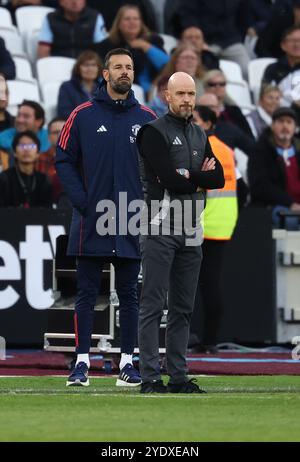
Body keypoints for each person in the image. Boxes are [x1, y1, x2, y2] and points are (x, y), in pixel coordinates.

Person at [55, 48, 156, 387]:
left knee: (129, 294)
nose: (124, 72)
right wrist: (82, 201)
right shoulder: (82, 114)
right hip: (91, 219)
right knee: (86, 292)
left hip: (129, 220)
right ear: (105, 73)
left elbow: (158, 168)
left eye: (129, 67)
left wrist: (145, 205)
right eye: (118, 67)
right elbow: (63, 159)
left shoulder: (146, 118)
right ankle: (81, 362)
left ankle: (128, 362)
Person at [136, 72, 224, 393]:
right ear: (167, 96)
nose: (187, 99)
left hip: (191, 227)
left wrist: (189, 175)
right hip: (159, 226)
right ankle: (149, 377)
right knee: (153, 304)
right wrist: (196, 177)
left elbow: (220, 180)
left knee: (183, 307)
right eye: (180, 94)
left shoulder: (200, 134)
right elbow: (167, 178)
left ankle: (178, 376)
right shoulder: (152, 132)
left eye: (191, 93)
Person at [192, 105, 238, 353]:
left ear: (209, 124)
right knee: (210, 283)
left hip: (204, 221)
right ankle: (209, 339)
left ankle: (206, 340)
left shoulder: (202, 148)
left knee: (195, 283)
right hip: (223, 220)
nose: (192, 124)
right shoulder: (227, 150)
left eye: (196, 120)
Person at [93, 4, 169, 97]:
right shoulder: (107, 44)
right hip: (116, 89)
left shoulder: (153, 40)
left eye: (136, 19)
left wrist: (146, 47)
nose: (132, 22)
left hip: (149, 92)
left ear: (141, 23)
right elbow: (101, 71)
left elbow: (168, 65)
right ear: (119, 24)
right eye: (127, 19)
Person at [248, 107, 300, 230]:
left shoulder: (298, 149)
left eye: (289, 122)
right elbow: (260, 185)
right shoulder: (260, 150)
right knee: (289, 220)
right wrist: (290, 203)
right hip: (273, 205)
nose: (285, 126)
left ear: (294, 127)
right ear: (272, 126)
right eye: (281, 121)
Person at [178, 0, 250, 79]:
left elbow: (243, 18)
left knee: (246, 69)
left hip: (231, 41)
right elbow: (188, 16)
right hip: (206, 42)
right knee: (202, 69)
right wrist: (199, 40)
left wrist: (238, 37)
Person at [38, 0, 107, 59]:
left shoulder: (95, 17)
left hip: (87, 64)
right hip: (59, 63)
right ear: (61, 1)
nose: (75, 2)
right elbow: (44, 49)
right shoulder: (51, 18)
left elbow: (102, 47)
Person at [0, 130, 53, 207]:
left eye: (31, 146)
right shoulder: (4, 179)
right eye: (22, 146)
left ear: (38, 153)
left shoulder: (43, 180)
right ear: (14, 153)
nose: (26, 150)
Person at [203, 69, 254, 137]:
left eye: (222, 84)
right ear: (205, 87)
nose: (218, 87)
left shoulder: (235, 110)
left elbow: (249, 137)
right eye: (212, 84)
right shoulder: (199, 112)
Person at [0, 100, 50, 168]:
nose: (20, 120)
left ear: (39, 121)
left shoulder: (50, 137)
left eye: (26, 116)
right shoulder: (3, 137)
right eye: (18, 115)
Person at [262, 25, 300, 108]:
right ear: (283, 45)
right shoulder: (273, 68)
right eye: (293, 41)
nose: (297, 45)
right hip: (278, 112)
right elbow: (265, 93)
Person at [57, 50, 102, 119]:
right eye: (86, 65)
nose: (90, 69)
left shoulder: (104, 87)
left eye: (93, 65)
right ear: (78, 68)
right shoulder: (67, 87)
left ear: (98, 68)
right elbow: (64, 112)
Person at [36, 117, 66, 204]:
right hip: (45, 209)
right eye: (56, 132)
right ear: (49, 137)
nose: (61, 135)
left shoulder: (83, 160)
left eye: (65, 131)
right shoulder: (38, 159)